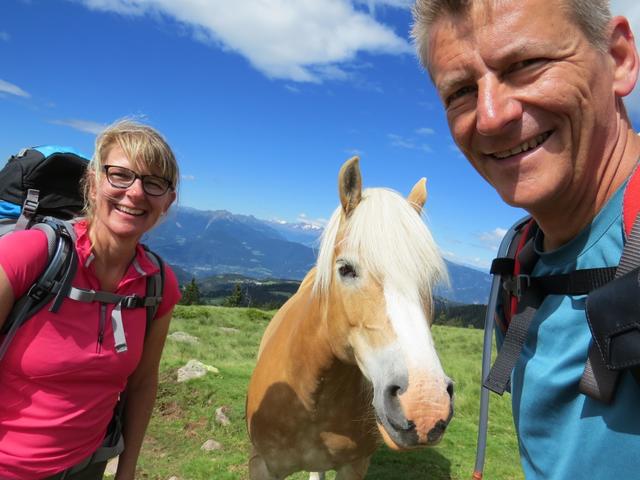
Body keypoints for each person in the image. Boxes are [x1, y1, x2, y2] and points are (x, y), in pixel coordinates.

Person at [412, 0, 640, 478]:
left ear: (618, 58)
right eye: (460, 92)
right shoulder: (516, 259)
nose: (491, 117)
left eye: (525, 65)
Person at [0, 120, 181, 480]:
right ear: (93, 182)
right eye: (120, 175)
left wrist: (126, 470)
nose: (135, 193)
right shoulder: (29, 253)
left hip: (89, 466)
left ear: (167, 201)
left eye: (154, 182)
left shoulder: (158, 284)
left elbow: (143, 382)